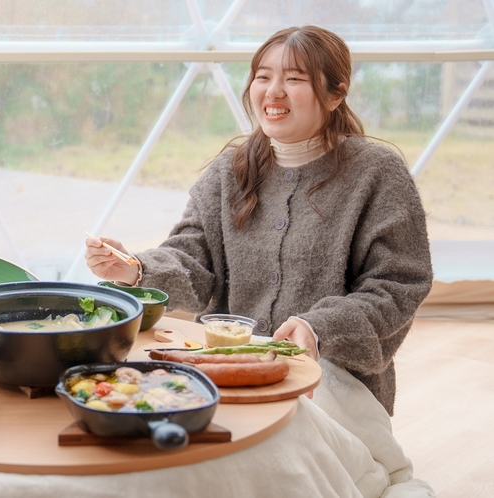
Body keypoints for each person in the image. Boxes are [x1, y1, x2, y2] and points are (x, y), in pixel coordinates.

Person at [85, 25, 433, 417]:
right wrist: (136, 268)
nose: (273, 91)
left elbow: (398, 284)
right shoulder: (229, 171)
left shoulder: (377, 173)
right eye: (263, 76)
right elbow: (193, 260)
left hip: (331, 378)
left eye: (295, 78)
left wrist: (318, 329)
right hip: (227, 369)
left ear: (336, 94)